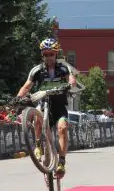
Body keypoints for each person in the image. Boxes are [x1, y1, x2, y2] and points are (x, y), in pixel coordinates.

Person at [16, 38, 76, 179]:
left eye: (51, 54)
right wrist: (17, 98)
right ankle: (38, 145)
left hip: (59, 105)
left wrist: (68, 85)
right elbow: (26, 87)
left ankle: (61, 162)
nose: (48, 57)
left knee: (62, 128)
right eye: (46, 54)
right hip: (44, 102)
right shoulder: (37, 70)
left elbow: (72, 80)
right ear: (42, 55)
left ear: (56, 54)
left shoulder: (63, 67)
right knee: (38, 116)